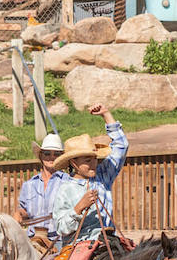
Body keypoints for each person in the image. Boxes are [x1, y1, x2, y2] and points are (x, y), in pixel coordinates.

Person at [50, 104, 129, 243]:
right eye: (88, 160)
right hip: (79, 244)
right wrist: (79, 207)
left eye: (95, 159)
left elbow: (121, 146)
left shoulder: (103, 176)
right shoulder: (65, 189)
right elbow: (60, 228)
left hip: (107, 242)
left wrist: (106, 115)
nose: (94, 164)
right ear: (74, 163)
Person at [16, 133, 66, 252]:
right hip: (33, 239)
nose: (51, 157)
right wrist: (19, 214)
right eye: (47, 153)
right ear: (41, 155)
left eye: (56, 154)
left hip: (58, 240)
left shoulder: (67, 182)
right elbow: (24, 210)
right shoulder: (29, 185)